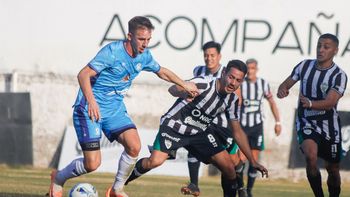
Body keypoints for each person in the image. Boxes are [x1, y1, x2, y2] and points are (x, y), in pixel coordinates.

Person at [47, 16, 198, 197]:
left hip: (114, 109)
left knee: (134, 146)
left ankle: (117, 189)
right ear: (129, 36)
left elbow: (162, 72)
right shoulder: (112, 52)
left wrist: (184, 84)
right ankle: (58, 178)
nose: (145, 44)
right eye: (141, 39)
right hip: (89, 108)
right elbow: (83, 75)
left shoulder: (145, 56)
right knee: (92, 164)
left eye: (148, 40)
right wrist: (92, 101)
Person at [124, 60, 269, 196]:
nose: (233, 83)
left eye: (238, 80)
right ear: (224, 72)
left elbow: (237, 132)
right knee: (154, 161)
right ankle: (120, 184)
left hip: (199, 132)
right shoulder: (203, 83)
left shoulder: (232, 100)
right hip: (175, 126)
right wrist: (183, 91)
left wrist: (253, 161)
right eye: (231, 77)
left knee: (229, 169)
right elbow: (173, 89)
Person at [277, 33, 347, 197]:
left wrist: (310, 103)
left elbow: (330, 102)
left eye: (326, 47)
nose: (321, 50)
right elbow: (286, 83)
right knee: (311, 156)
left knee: (333, 169)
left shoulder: (339, 75)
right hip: (306, 121)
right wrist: (283, 89)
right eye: (319, 45)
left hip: (329, 127)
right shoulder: (304, 66)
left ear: (335, 50)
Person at [180, 41, 243, 197]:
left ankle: (241, 188)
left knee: (234, 162)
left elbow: (237, 99)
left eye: (212, 55)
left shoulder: (227, 73)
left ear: (219, 56)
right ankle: (194, 184)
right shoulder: (198, 70)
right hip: (202, 124)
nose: (209, 59)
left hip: (223, 126)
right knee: (193, 145)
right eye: (206, 55)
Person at [236, 58, 281, 197]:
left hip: (256, 126)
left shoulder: (263, 84)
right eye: (248, 68)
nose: (250, 71)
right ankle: (241, 188)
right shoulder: (241, 84)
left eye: (252, 68)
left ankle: (249, 190)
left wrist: (277, 122)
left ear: (257, 69)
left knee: (254, 159)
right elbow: (235, 103)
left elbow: (272, 102)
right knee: (240, 159)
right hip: (242, 126)